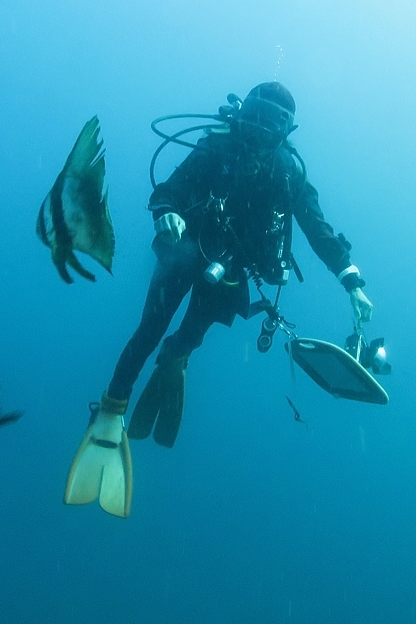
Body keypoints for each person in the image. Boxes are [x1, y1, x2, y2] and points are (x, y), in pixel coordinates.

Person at [64, 82, 373, 517]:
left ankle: (176, 358)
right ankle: (111, 411)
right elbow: (168, 189)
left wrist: (351, 279)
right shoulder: (215, 149)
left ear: (288, 129)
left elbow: (318, 229)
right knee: (148, 329)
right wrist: (166, 213)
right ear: (246, 111)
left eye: (276, 120)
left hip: (228, 273)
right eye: (260, 114)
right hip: (183, 253)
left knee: (187, 337)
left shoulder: (289, 173)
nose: (265, 126)